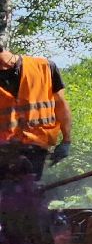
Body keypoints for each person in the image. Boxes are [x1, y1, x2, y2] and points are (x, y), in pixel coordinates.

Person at [0, 46, 72, 179]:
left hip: (36, 147)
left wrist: (66, 141)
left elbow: (61, 105)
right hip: (3, 151)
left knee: (26, 192)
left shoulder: (45, 67)